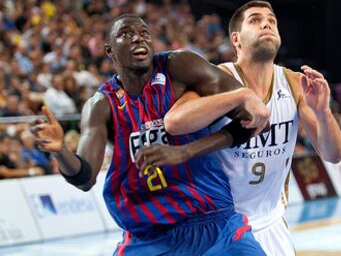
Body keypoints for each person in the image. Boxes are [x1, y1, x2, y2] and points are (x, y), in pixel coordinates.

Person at [31, 13, 270, 255]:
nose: (138, 38)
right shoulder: (101, 105)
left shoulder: (179, 66)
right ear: (109, 50)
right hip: (148, 237)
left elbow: (253, 117)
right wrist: (60, 151)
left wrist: (185, 152)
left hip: (213, 222)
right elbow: (85, 178)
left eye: (144, 33)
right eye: (126, 34)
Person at [136, 0, 341, 256]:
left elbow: (333, 155)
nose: (266, 23)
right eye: (255, 20)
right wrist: (239, 97)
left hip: (271, 222)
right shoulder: (215, 78)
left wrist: (323, 112)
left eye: (271, 20)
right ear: (236, 39)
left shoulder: (293, 82)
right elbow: (175, 122)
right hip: (222, 227)